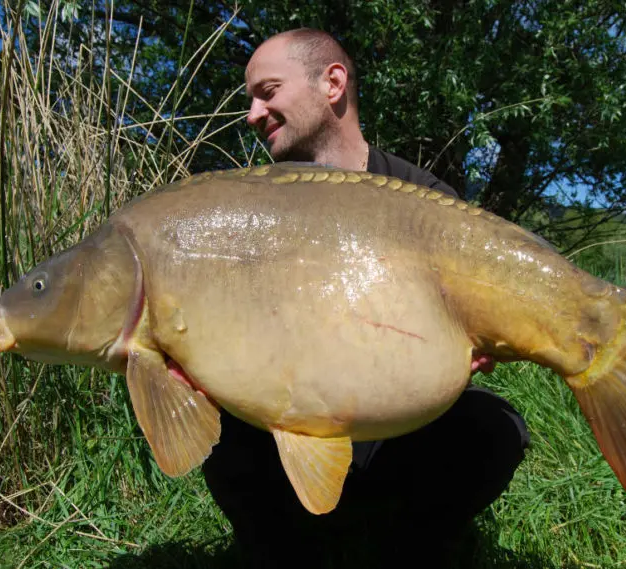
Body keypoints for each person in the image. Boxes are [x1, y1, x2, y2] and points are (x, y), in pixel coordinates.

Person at [201, 28, 530, 568]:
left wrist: (479, 339)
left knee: (495, 429)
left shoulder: (426, 200)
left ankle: (408, 548)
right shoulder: (247, 205)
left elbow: (475, 319)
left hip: (395, 436)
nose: (252, 114)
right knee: (220, 427)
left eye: (267, 91)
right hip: (282, 436)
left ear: (332, 83)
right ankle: (284, 553)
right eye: (251, 100)